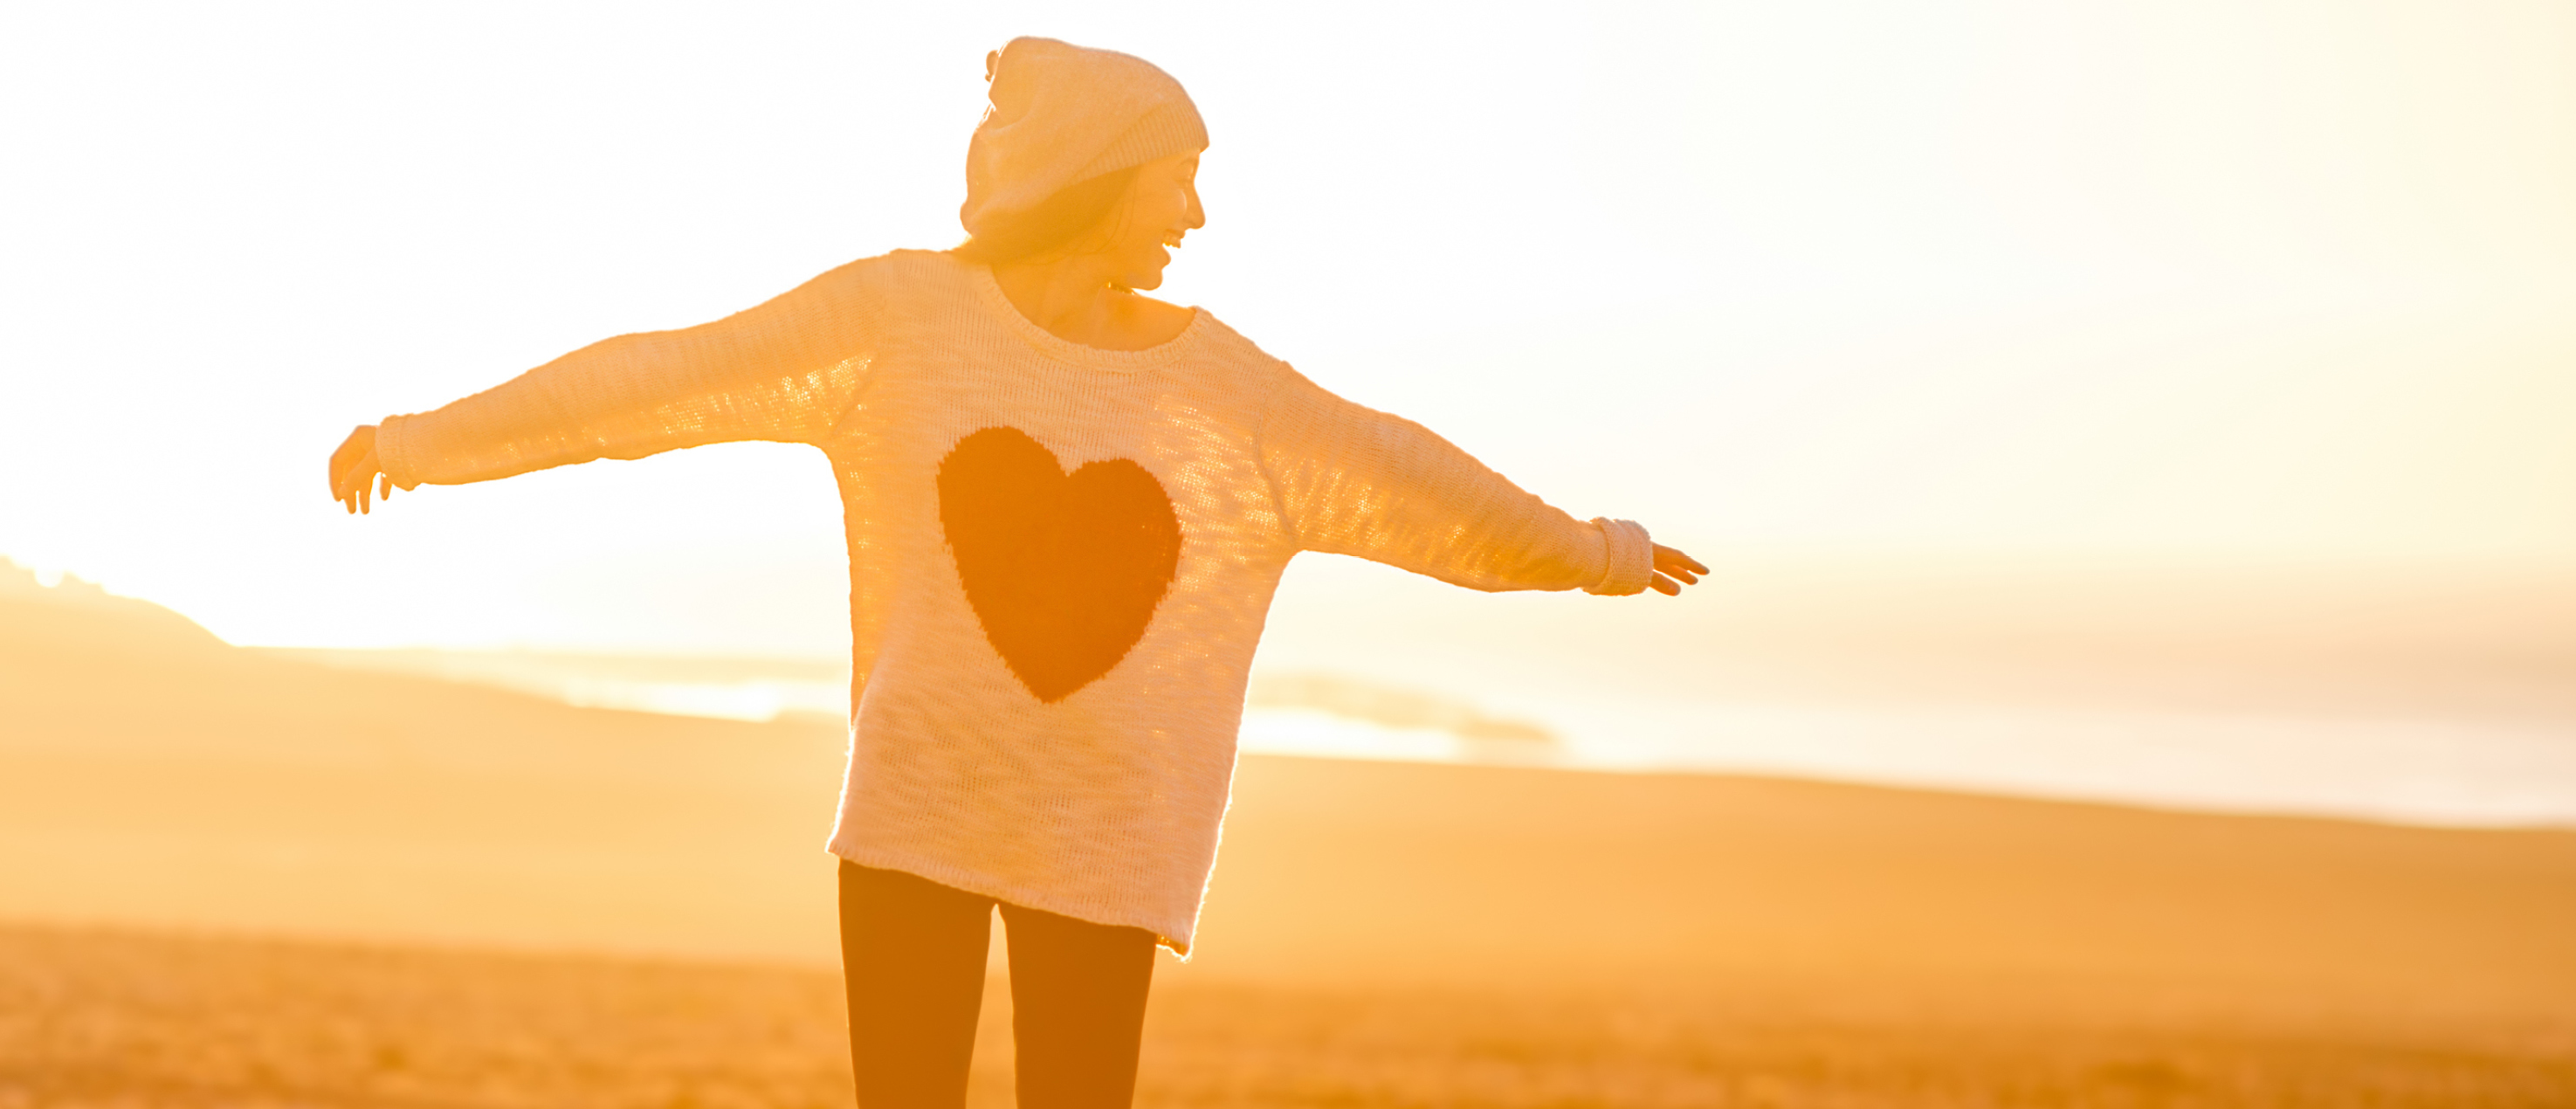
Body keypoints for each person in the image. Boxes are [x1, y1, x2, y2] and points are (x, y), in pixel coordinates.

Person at [325, 37, 1706, 1109]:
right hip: (918, 810)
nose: (1201, 214)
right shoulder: (897, 323)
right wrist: (425, 441)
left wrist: (1593, 553)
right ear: (1105, 176)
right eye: (1180, 179)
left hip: (1105, 839)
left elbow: (1404, 479)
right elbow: (657, 385)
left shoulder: (1224, 390)